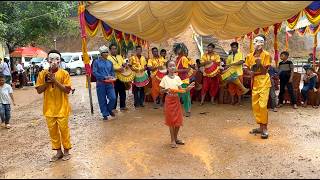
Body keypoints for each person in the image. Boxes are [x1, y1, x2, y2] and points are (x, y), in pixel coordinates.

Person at [35, 50, 73, 162]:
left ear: (60, 61)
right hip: (49, 109)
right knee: (53, 131)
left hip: (63, 108)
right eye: (51, 59)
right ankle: (58, 152)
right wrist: (47, 82)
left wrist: (55, 81)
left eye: (57, 59)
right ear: (47, 60)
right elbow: (39, 90)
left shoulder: (64, 73)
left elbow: (67, 90)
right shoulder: (42, 74)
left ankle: (66, 151)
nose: (54, 62)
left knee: (64, 130)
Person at [159, 60, 194, 148]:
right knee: (171, 121)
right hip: (169, 100)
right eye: (170, 66)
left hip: (176, 100)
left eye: (174, 66)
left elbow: (181, 90)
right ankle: (172, 140)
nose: (172, 67)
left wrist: (188, 89)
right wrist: (166, 90)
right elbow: (160, 91)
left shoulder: (177, 78)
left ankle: (176, 138)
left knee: (178, 120)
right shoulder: (165, 78)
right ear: (167, 68)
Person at [246, 35, 271, 139]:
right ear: (253, 43)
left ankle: (265, 128)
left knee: (263, 105)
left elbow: (265, 71)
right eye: (256, 41)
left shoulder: (266, 55)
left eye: (261, 41)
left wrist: (259, 64)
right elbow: (246, 68)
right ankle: (260, 127)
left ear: (264, 43)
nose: (258, 43)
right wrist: (249, 72)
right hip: (255, 82)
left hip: (264, 82)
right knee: (255, 105)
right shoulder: (249, 56)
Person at [93, 45, 116, 120]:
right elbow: (94, 72)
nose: (106, 54)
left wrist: (112, 76)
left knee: (113, 98)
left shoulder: (110, 62)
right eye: (104, 52)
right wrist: (104, 77)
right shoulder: (96, 62)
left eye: (107, 52)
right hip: (100, 83)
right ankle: (105, 114)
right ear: (101, 53)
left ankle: (109, 109)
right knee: (102, 99)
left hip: (109, 83)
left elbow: (112, 72)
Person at [173, 43, 192, 117]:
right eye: (177, 49)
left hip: (184, 80)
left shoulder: (184, 58)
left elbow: (187, 70)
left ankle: (188, 111)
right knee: (177, 96)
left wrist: (176, 71)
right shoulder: (177, 59)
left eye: (179, 49)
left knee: (186, 96)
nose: (178, 50)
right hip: (177, 80)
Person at [107, 44, 128, 111]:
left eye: (115, 48)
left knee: (122, 92)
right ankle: (113, 108)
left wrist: (125, 65)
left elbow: (123, 64)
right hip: (113, 78)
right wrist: (117, 69)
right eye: (113, 49)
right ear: (110, 50)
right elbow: (108, 68)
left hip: (121, 77)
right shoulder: (108, 58)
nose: (114, 50)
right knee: (114, 93)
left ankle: (123, 106)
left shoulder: (119, 56)